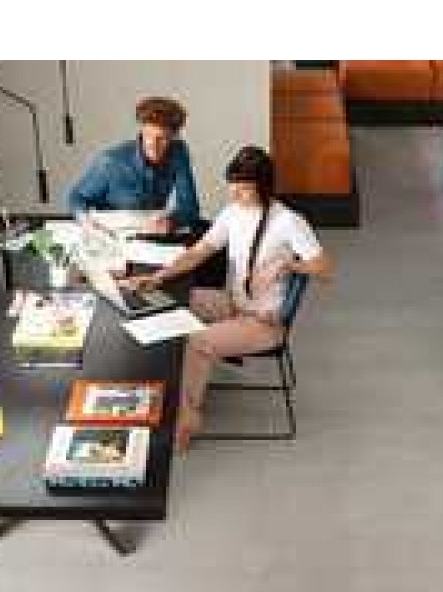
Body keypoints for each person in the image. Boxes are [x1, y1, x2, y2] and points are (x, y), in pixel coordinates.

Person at [124, 145, 333, 450]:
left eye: (243, 188)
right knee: (166, 299)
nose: (234, 193)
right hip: (233, 304)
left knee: (197, 342)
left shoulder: (288, 221)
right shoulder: (233, 212)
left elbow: (325, 269)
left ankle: (187, 419)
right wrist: (158, 277)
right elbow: (199, 251)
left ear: (263, 186)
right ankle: (156, 393)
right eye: (232, 185)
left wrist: (290, 264)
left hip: (263, 322)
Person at [67, 96, 201, 231]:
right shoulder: (111, 161)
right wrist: (86, 222)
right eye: (148, 136)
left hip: (150, 231)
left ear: (173, 136)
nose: (152, 144)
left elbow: (190, 207)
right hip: (111, 231)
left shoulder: (178, 152)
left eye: (161, 139)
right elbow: (77, 197)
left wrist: (170, 223)